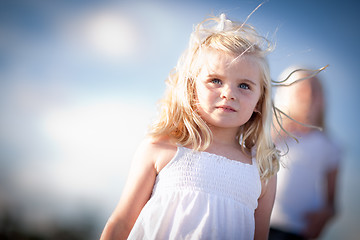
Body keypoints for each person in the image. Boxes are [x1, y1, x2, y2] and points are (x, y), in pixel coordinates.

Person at [100, 13, 281, 240]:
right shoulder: (161, 148)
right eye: (215, 80)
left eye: (244, 85)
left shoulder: (262, 170)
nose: (229, 94)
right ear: (191, 88)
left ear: (259, 101)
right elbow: (122, 222)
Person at [269, 67, 342, 240]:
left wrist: (324, 215)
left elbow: (331, 202)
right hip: (263, 220)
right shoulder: (272, 136)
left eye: (315, 90)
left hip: (299, 229)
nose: (309, 95)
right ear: (286, 97)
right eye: (301, 90)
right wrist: (276, 133)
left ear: (323, 100)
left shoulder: (329, 146)